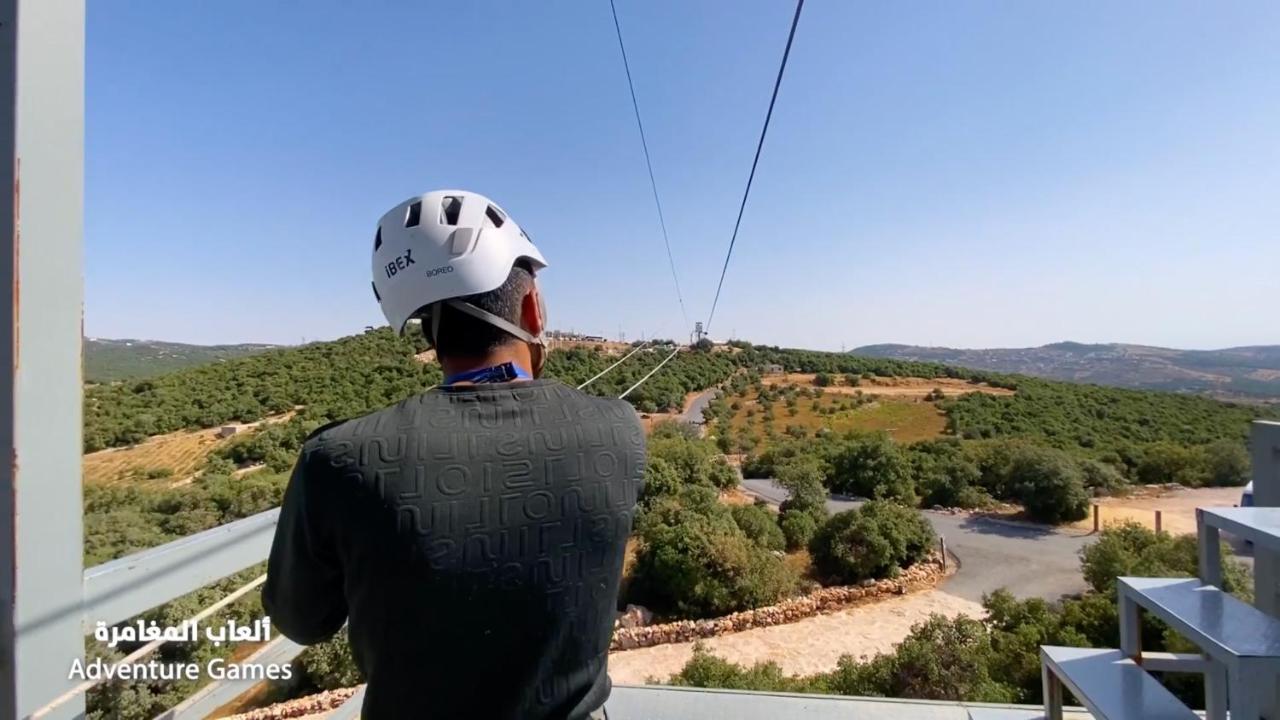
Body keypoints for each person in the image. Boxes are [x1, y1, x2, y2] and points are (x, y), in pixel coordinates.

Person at [263, 190, 645, 720]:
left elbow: (302, 621)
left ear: (427, 328)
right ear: (532, 308)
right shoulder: (619, 431)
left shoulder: (338, 459)